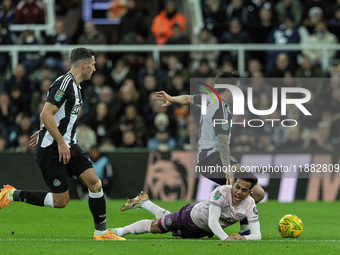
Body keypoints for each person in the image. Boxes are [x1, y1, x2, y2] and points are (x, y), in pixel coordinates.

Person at [0, 47, 125, 241]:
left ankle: (101, 233)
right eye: (92, 65)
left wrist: (44, 130)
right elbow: (45, 113)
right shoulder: (64, 83)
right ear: (83, 65)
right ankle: (12, 194)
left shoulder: (76, 86)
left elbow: (51, 115)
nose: (94, 69)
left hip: (68, 145)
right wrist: (58, 141)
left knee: (95, 183)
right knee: (61, 201)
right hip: (53, 149)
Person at [156, 70, 265, 235]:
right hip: (211, 158)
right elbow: (222, 141)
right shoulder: (220, 109)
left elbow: (188, 99)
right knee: (255, 192)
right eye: (237, 87)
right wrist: (228, 167)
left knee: (244, 192)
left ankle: (222, 226)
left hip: (208, 158)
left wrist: (172, 99)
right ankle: (223, 226)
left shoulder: (211, 99)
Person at [111, 171, 261, 240]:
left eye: (244, 190)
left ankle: (145, 202)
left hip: (202, 230)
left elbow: (257, 235)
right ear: (233, 183)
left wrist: (244, 238)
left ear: (250, 192)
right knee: (158, 228)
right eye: (237, 187)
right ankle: (118, 232)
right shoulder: (221, 192)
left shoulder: (250, 204)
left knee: (173, 231)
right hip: (189, 217)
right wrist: (226, 239)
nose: (238, 192)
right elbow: (213, 221)